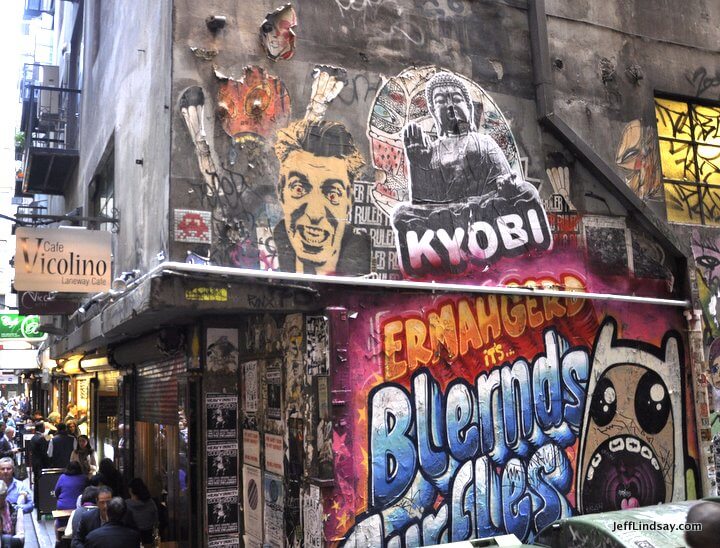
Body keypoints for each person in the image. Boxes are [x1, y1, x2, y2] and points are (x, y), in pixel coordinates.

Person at [273, 119, 370, 275]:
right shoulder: (263, 260)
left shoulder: (368, 269)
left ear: (349, 202)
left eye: (332, 194)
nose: (315, 213)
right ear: (281, 192)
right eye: (299, 189)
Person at [125, 478, 158, 546]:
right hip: (149, 539)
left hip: (131, 540)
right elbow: (156, 520)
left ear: (130, 490)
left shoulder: (126, 504)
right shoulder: (151, 502)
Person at [0, 480, 23, 547]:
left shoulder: (15, 511)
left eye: (1, 497)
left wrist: (7, 540)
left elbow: (21, 537)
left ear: (5, 495)